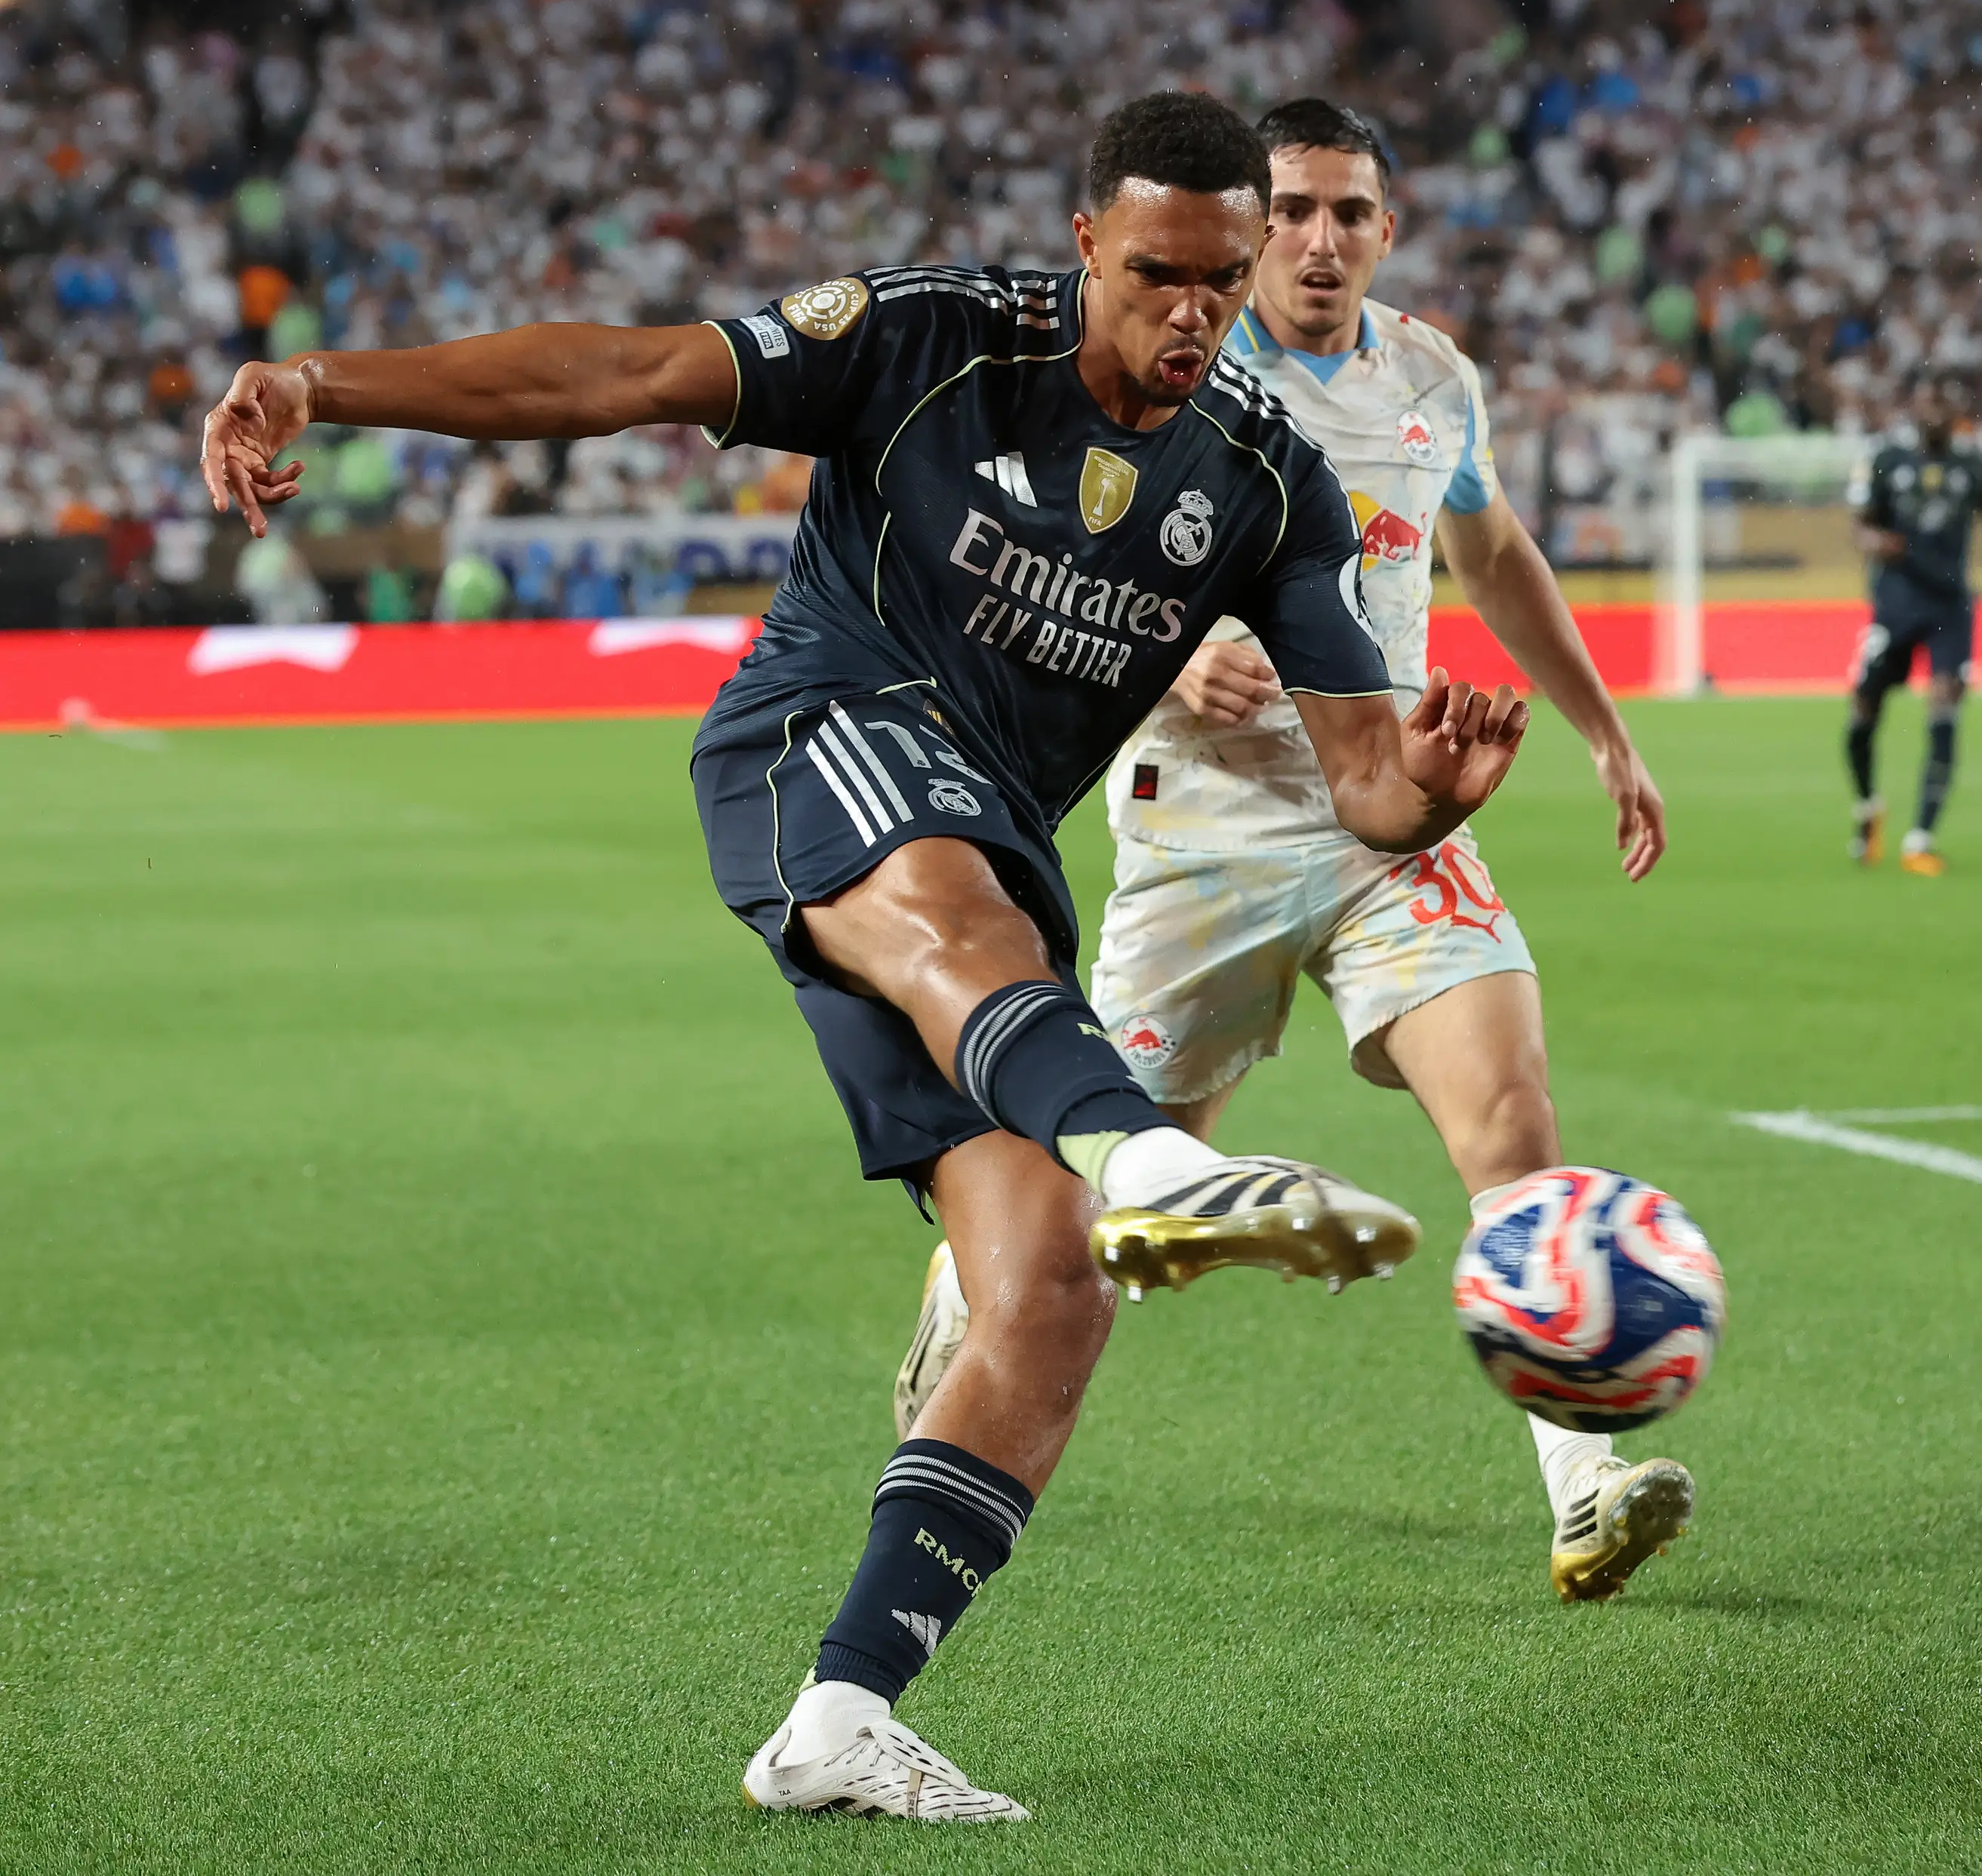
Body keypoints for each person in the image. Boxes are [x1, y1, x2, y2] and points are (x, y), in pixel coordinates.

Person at [199, 92, 1531, 1825]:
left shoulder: (1265, 475)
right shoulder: (930, 339)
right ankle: (1152, 1152)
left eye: (1219, 280)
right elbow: (619, 374)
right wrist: (320, 383)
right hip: (813, 741)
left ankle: (838, 1713)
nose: (1193, 312)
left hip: (991, 854)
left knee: (1045, 1285)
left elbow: (1361, 773)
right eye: (1156, 274)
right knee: (964, 909)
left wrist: (1431, 781)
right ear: (1082, 248)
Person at [894, 98, 1687, 1603]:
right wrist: (1162, 653)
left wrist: (1602, 727)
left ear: (1386, 231)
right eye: (1297, 210)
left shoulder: (1430, 377)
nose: (1323, 240)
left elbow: (1493, 550)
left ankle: (1587, 1478)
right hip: (1200, 829)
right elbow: (1025, 541)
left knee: (1511, 1117)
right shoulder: (1159, 366)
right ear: (1252, 226)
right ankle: (958, 1282)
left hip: (1390, 816)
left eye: (1353, 214)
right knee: (1099, 1202)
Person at [1843, 376, 1982, 876]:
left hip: (1950, 605)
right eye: (1926, 402)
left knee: (1945, 704)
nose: (1934, 412)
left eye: (1943, 403)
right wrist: (1875, 542)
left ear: (1956, 412)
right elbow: (1859, 524)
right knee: (1862, 714)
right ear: (1913, 408)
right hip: (1896, 602)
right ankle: (1868, 808)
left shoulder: (1976, 468)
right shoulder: (1887, 460)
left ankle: (1920, 837)